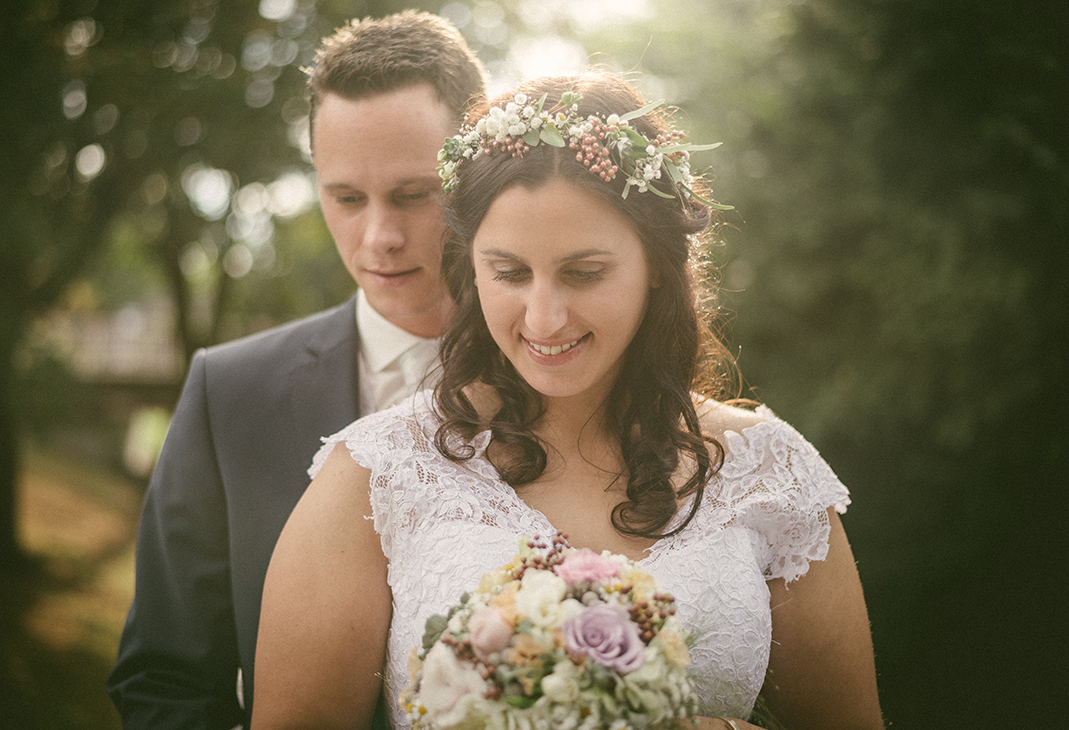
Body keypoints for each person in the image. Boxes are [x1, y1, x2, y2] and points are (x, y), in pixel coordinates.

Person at [251, 72, 883, 730]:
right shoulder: (378, 475)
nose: (544, 318)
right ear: (472, 268)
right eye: (510, 272)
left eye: (584, 272)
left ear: (658, 266)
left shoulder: (771, 476)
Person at [106, 11, 488, 729]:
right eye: (346, 198)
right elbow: (163, 676)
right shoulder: (230, 391)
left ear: (476, 174)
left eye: (413, 193)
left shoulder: (566, 384)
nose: (378, 236)